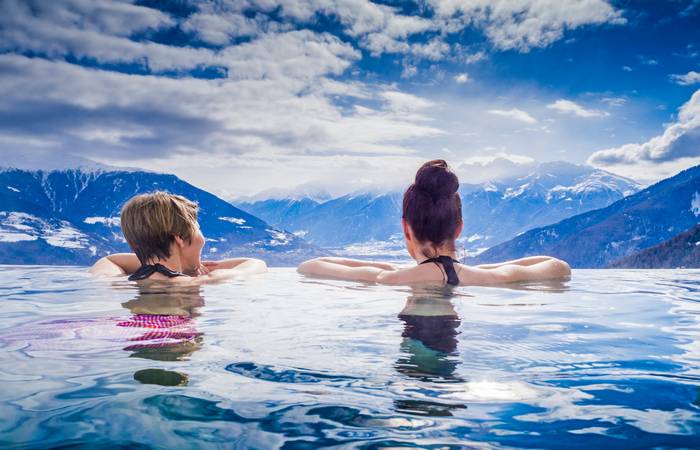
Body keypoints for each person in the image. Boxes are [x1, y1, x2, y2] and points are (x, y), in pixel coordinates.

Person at [297, 160, 571, 285]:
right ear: (459, 228)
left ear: (406, 228)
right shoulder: (490, 278)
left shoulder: (388, 278)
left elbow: (310, 266)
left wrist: (388, 266)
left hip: (412, 382)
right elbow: (559, 267)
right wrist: (481, 268)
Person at [89, 191, 267, 281]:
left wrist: (183, 264)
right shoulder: (200, 283)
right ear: (179, 239)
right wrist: (214, 272)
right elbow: (257, 264)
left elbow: (110, 260)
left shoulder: (119, 280)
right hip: (173, 338)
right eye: (198, 228)